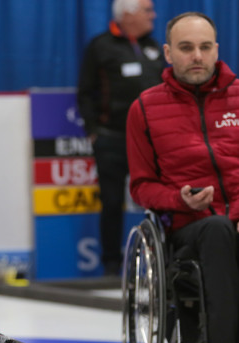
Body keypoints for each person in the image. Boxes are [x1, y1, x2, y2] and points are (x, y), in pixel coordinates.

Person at [126, 12, 239, 343]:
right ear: (168, 53)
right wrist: (177, 199)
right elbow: (141, 187)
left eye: (204, 47)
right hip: (191, 227)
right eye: (186, 48)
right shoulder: (145, 109)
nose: (196, 55)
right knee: (217, 230)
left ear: (216, 50)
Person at [77, 0, 164, 276]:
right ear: (128, 14)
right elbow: (85, 91)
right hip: (112, 138)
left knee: (159, 200)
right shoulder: (100, 45)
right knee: (112, 203)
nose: (153, 15)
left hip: (152, 142)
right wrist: (94, 130)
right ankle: (112, 267)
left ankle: (161, 260)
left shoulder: (154, 45)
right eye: (147, 11)